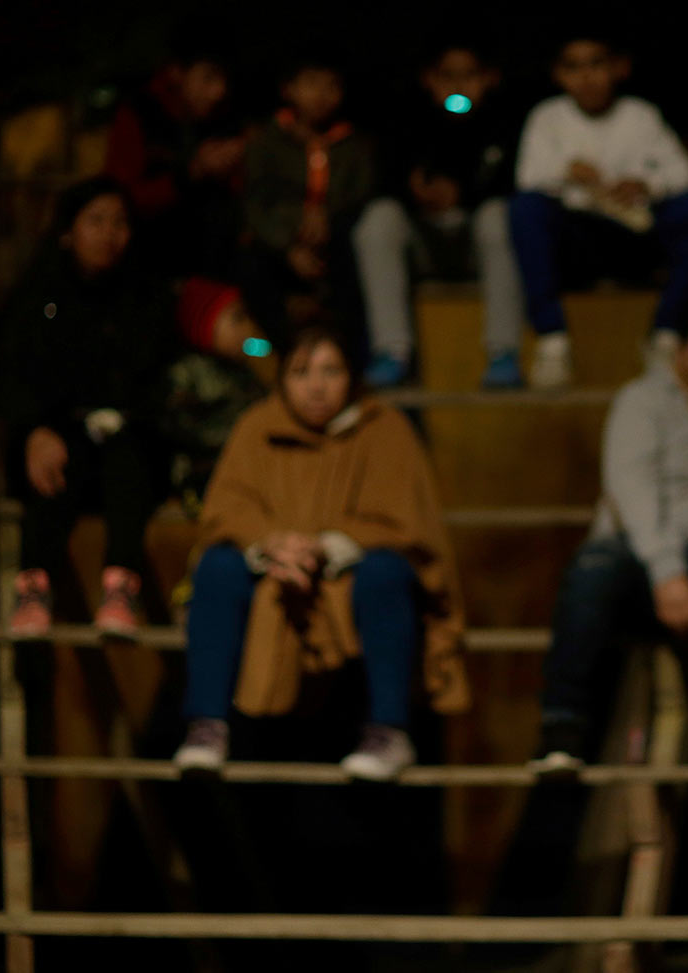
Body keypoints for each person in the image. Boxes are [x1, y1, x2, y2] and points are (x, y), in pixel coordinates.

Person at [172, 325, 470, 781]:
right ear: (283, 379)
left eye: (331, 371)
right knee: (217, 567)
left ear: (351, 376)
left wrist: (329, 544)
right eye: (302, 372)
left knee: (387, 573)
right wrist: (270, 542)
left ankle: (388, 728)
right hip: (274, 572)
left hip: (352, 569)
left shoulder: (384, 428)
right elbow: (227, 509)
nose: (316, 386)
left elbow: (408, 523)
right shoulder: (258, 426)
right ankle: (206, 725)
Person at [531, 292, 688, 774]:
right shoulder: (641, 401)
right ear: (682, 351)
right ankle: (563, 725)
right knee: (594, 566)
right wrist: (667, 572)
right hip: (641, 552)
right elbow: (632, 494)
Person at [0, 177, 179, 636]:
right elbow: (12, 373)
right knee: (50, 463)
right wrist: (34, 430)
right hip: (61, 440)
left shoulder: (146, 295)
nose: (108, 233)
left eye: (120, 222)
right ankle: (34, 586)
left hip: (129, 442)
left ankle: (121, 587)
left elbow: (156, 381)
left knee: (128, 456)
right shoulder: (40, 296)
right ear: (68, 230)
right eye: (95, 221)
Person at [510, 34, 688, 389]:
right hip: (577, 241)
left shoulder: (640, 115)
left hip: (633, 236)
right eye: (573, 67)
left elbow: (685, 173)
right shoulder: (548, 117)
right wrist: (567, 171)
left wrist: (645, 184)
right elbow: (527, 177)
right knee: (525, 208)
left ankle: (665, 336)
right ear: (558, 75)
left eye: (596, 64)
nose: (586, 76)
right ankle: (552, 341)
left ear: (619, 68)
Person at [352, 41, 524, 388]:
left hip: (479, 248)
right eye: (448, 76)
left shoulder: (508, 122)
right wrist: (413, 191)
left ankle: (503, 353)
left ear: (489, 78)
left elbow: (518, 187)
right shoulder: (404, 119)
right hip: (424, 245)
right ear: (429, 78)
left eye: (469, 75)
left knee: (499, 215)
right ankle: (392, 351)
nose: (458, 86)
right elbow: (379, 184)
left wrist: (464, 194)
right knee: (379, 218)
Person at [239, 54, 373, 352]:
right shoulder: (268, 141)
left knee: (357, 260)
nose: (321, 96)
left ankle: (350, 361)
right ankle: (281, 358)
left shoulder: (354, 145)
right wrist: (289, 243)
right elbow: (257, 203)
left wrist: (325, 217)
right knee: (252, 263)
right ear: (289, 89)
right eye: (311, 84)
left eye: (332, 86)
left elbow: (361, 197)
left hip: (335, 245)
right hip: (280, 247)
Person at [103, 39, 245, 277]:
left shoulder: (224, 118)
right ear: (176, 73)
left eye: (225, 80)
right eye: (208, 78)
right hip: (148, 265)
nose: (219, 91)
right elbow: (121, 198)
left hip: (214, 268)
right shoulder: (140, 113)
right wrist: (191, 173)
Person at [159, 277, 270, 515]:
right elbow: (178, 424)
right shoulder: (188, 372)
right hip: (204, 468)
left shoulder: (246, 371)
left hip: (246, 462)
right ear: (205, 325)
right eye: (236, 319)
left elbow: (268, 358)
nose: (247, 328)